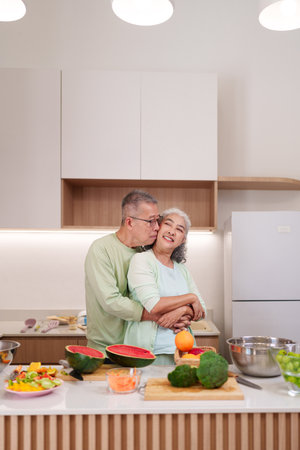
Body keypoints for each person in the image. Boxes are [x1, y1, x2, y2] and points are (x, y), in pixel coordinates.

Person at [85, 191, 194, 355]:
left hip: (134, 347)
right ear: (129, 222)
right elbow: (111, 301)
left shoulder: (144, 253)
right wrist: (161, 316)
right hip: (105, 349)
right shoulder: (101, 249)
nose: (157, 227)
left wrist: (183, 311)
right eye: (151, 221)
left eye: (157, 221)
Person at [124, 208, 206, 365]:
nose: (172, 232)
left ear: (183, 240)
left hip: (183, 354)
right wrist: (190, 298)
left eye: (179, 229)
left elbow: (202, 311)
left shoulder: (182, 269)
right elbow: (154, 305)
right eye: (168, 224)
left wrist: (183, 310)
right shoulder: (141, 261)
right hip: (149, 355)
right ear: (158, 227)